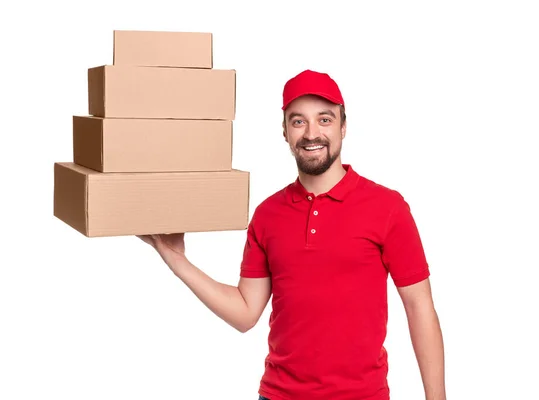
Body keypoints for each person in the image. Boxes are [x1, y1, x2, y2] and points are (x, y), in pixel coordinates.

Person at [138, 70, 446, 400]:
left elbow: (419, 308)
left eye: (324, 119)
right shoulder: (267, 215)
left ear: (343, 126)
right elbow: (244, 313)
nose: (312, 133)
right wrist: (174, 257)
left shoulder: (387, 208)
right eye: (298, 121)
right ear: (284, 132)